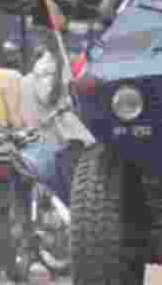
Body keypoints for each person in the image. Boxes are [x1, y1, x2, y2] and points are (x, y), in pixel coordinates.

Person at [18, 23, 95, 206]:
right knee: (71, 190)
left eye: (60, 36)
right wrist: (61, 67)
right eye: (52, 36)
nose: (60, 40)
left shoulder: (69, 60)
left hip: (75, 135)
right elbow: (48, 98)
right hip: (60, 139)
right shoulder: (45, 67)